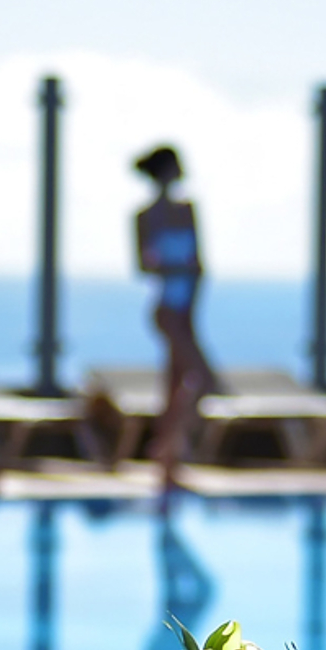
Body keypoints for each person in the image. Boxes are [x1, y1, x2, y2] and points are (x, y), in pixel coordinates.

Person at [132, 145, 210, 488]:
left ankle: (167, 462)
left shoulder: (188, 210)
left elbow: (200, 266)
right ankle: (167, 450)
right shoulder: (144, 216)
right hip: (165, 310)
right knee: (202, 380)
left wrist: (191, 311)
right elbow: (144, 266)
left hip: (186, 309)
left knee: (175, 387)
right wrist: (178, 269)